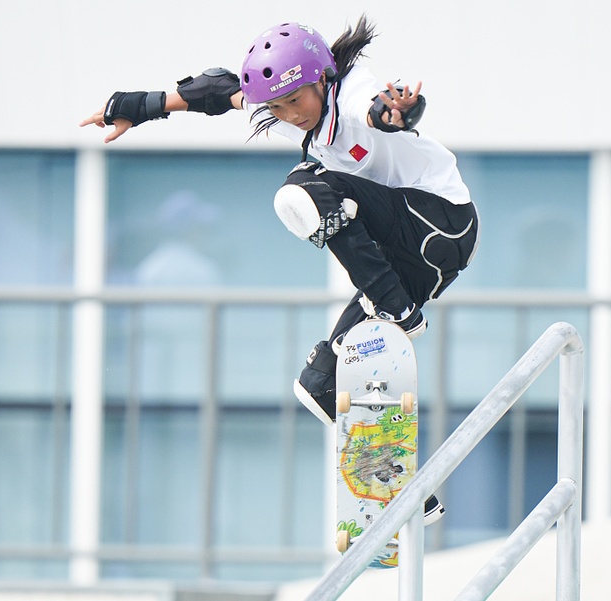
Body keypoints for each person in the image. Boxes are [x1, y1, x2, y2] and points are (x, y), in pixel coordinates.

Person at [81, 16, 479, 524]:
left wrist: (399, 109)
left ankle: (394, 306)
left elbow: (382, 110)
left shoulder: (352, 91)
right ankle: (405, 489)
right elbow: (215, 91)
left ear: (321, 79)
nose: (291, 115)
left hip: (439, 226)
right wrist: (136, 108)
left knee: (305, 187)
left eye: (298, 101)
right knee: (319, 384)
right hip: (412, 262)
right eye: (278, 107)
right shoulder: (287, 101)